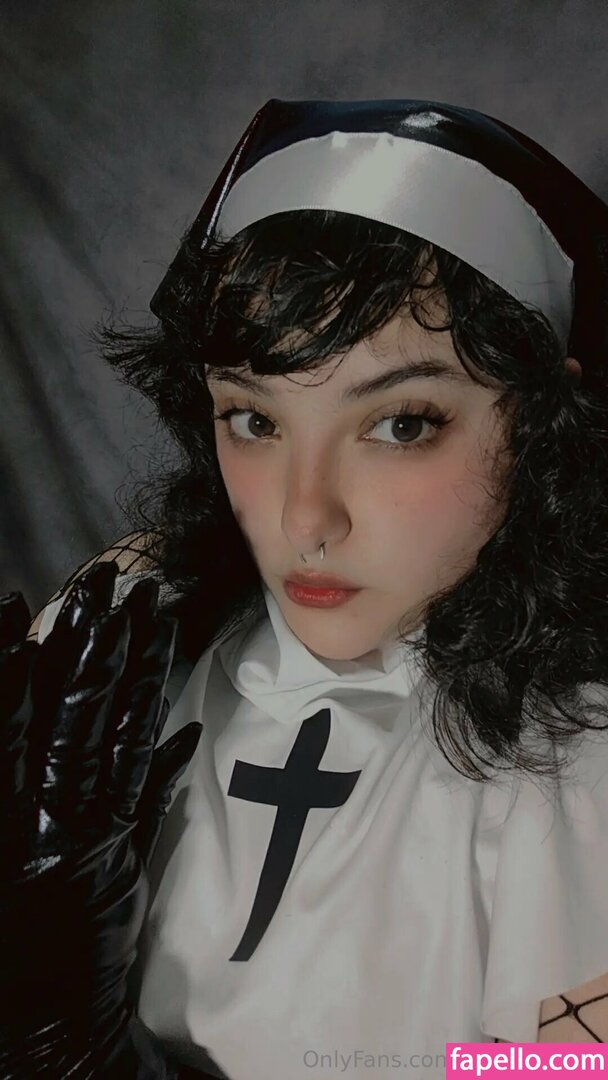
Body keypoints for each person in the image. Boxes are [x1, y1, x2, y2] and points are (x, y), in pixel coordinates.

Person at [4, 97, 608, 1078]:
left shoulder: (575, 769)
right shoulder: (138, 680)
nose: (304, 518)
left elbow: (565, 1065)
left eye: (401, 424)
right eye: (254, 419)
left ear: (543, 427)